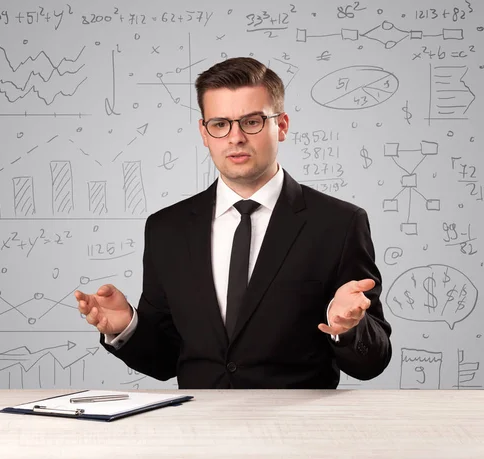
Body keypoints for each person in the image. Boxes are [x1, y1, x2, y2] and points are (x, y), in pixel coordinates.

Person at [75, 57, 392, 389]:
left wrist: (348, 326)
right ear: (204, 132)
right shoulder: (166, 228)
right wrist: (127, 327)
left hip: (296, 432)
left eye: (252, 122)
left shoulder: (338, 224)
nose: (235, 137)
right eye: (220, 124)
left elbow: (373, 362)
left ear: (281, 125)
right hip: (198, 431)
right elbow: (168, 359)